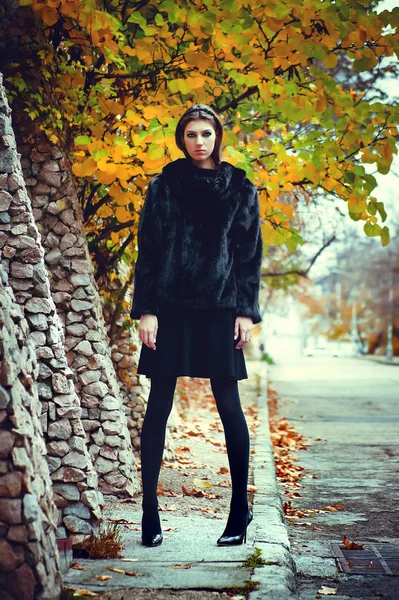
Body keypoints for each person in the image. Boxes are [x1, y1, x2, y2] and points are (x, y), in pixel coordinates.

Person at [130, 103, 263, 548]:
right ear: (181, 139)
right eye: (191, 135)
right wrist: (146, 309)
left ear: (217, 137)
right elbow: (148, 248)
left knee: (228, 402)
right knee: (158, 405)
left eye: (206, 134)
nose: (199, 142)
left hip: (221, 309)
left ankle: (238, 510)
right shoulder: (164, 186)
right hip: (169, 308)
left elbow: (248, 255)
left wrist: (246, 311)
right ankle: (149, 511)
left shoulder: (240, 188)